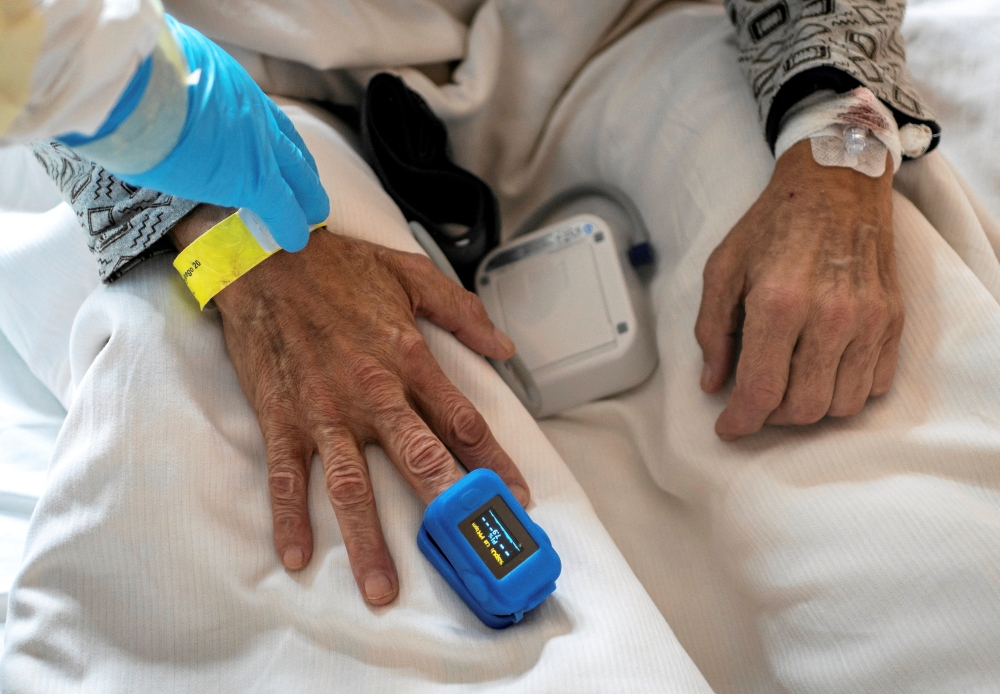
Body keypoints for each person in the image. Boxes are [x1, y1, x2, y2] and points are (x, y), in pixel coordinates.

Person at [6, 0, 940, 608]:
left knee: (901, 513)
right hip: (239, 91)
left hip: (626, 31)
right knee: (297, 552)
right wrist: (215, 223)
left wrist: (836, 136)